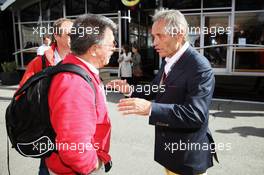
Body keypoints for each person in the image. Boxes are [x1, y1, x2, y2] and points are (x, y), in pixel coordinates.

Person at [107, 9, 217, 175]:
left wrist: (151, 108)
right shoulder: (170, 59)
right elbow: (156, 87)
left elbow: (196, 115)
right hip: (170, 153)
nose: (154, 43)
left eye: (160, 36)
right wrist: (130, 90)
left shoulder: (199, 67)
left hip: (186, 157)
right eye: (153, 37)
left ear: (179, 35)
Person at [46, 14, 116, 175]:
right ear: (93, 49)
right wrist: (94, 164)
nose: (114, 48)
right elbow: (73, 146)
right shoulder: (75, 82)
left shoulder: (77, 69)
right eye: (111, 44)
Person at [18, 18, 73, 175]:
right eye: (70, 34)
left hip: (77, 133)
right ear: (57, 35)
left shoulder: (83, 60)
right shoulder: (39, 63)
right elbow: (21, 95)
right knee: (46, 170)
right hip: (49, 135)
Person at [19, 18, 73, 87]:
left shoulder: (84, 59)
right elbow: (22, 93)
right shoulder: (39, 62)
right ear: (56, 36)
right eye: (70, 34)